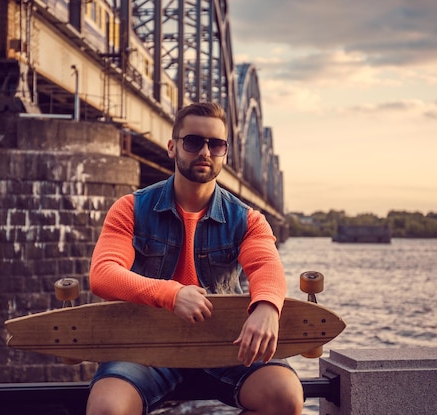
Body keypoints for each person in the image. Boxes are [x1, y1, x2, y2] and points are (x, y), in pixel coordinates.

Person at [86, 102, 304, 415]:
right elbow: (103, 274)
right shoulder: (130, 208)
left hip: (224, 343)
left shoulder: (248, 219)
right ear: (173, 147)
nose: (205, 151)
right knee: (107, 409)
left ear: (225, 154)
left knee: (285, 398)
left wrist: (267, 306)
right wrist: (171, 295)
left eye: (216, 144)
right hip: (146, 345)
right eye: (193, 142)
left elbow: (266, 267)